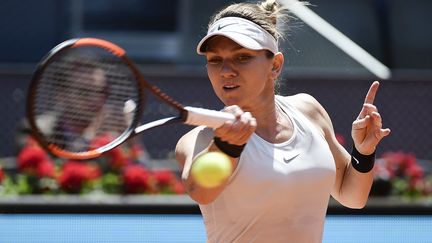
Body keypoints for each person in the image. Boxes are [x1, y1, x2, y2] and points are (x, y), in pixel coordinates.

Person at [175, 0, 391, 242]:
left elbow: (352, 196)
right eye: (215, 60)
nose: (226, 70)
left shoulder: (308, 111)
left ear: (275, 65)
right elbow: (200, 192)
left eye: (242, 57)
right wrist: (227, 147)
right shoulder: (198, 140)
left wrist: (363, 151)